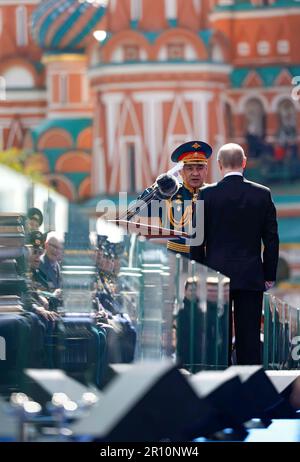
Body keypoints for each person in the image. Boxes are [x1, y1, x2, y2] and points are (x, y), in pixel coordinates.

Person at [190, 143, 279, 365]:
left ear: (219, 165)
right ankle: (250, 394)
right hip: (250, 276)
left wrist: (199, 275)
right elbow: (271, 240)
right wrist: (269, 274)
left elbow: (196, 240)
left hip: (215, 278)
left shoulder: (206, 195)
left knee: (217, 339)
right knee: (249, 341)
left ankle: (220, 391)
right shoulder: (262, 194)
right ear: (244, 163)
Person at [137, 141, 212, 255]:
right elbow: (141, 209)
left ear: (206, 169)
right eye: (189, 168)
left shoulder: (214, 193)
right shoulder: (170, 194)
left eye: (200, 167)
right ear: (180, 171)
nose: (195, 173)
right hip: (175, 258)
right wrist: (162, 183)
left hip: (207, 260)